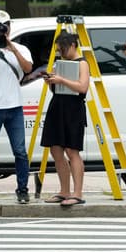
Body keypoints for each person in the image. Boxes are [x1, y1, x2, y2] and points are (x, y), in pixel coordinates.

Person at [38, 32, 90, 206]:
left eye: (64, 49)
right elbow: (58, 85)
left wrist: (61, 79)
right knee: (55, 149)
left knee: (72, 150)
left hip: (73, 108)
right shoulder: (60, 64)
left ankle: (77, 193)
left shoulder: (82, 63)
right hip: (57, 106)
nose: (61, 53)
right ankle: (64, 191)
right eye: (59, 50)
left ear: (74, 45)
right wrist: (51, 80)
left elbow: (82, 87)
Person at [0, 10, 33, 204]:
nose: (3, 30)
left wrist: (11, 48)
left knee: (20, 151)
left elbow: (27, 69)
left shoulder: (21, 48)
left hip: (14, 106)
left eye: (5, 26)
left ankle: (22, 190)